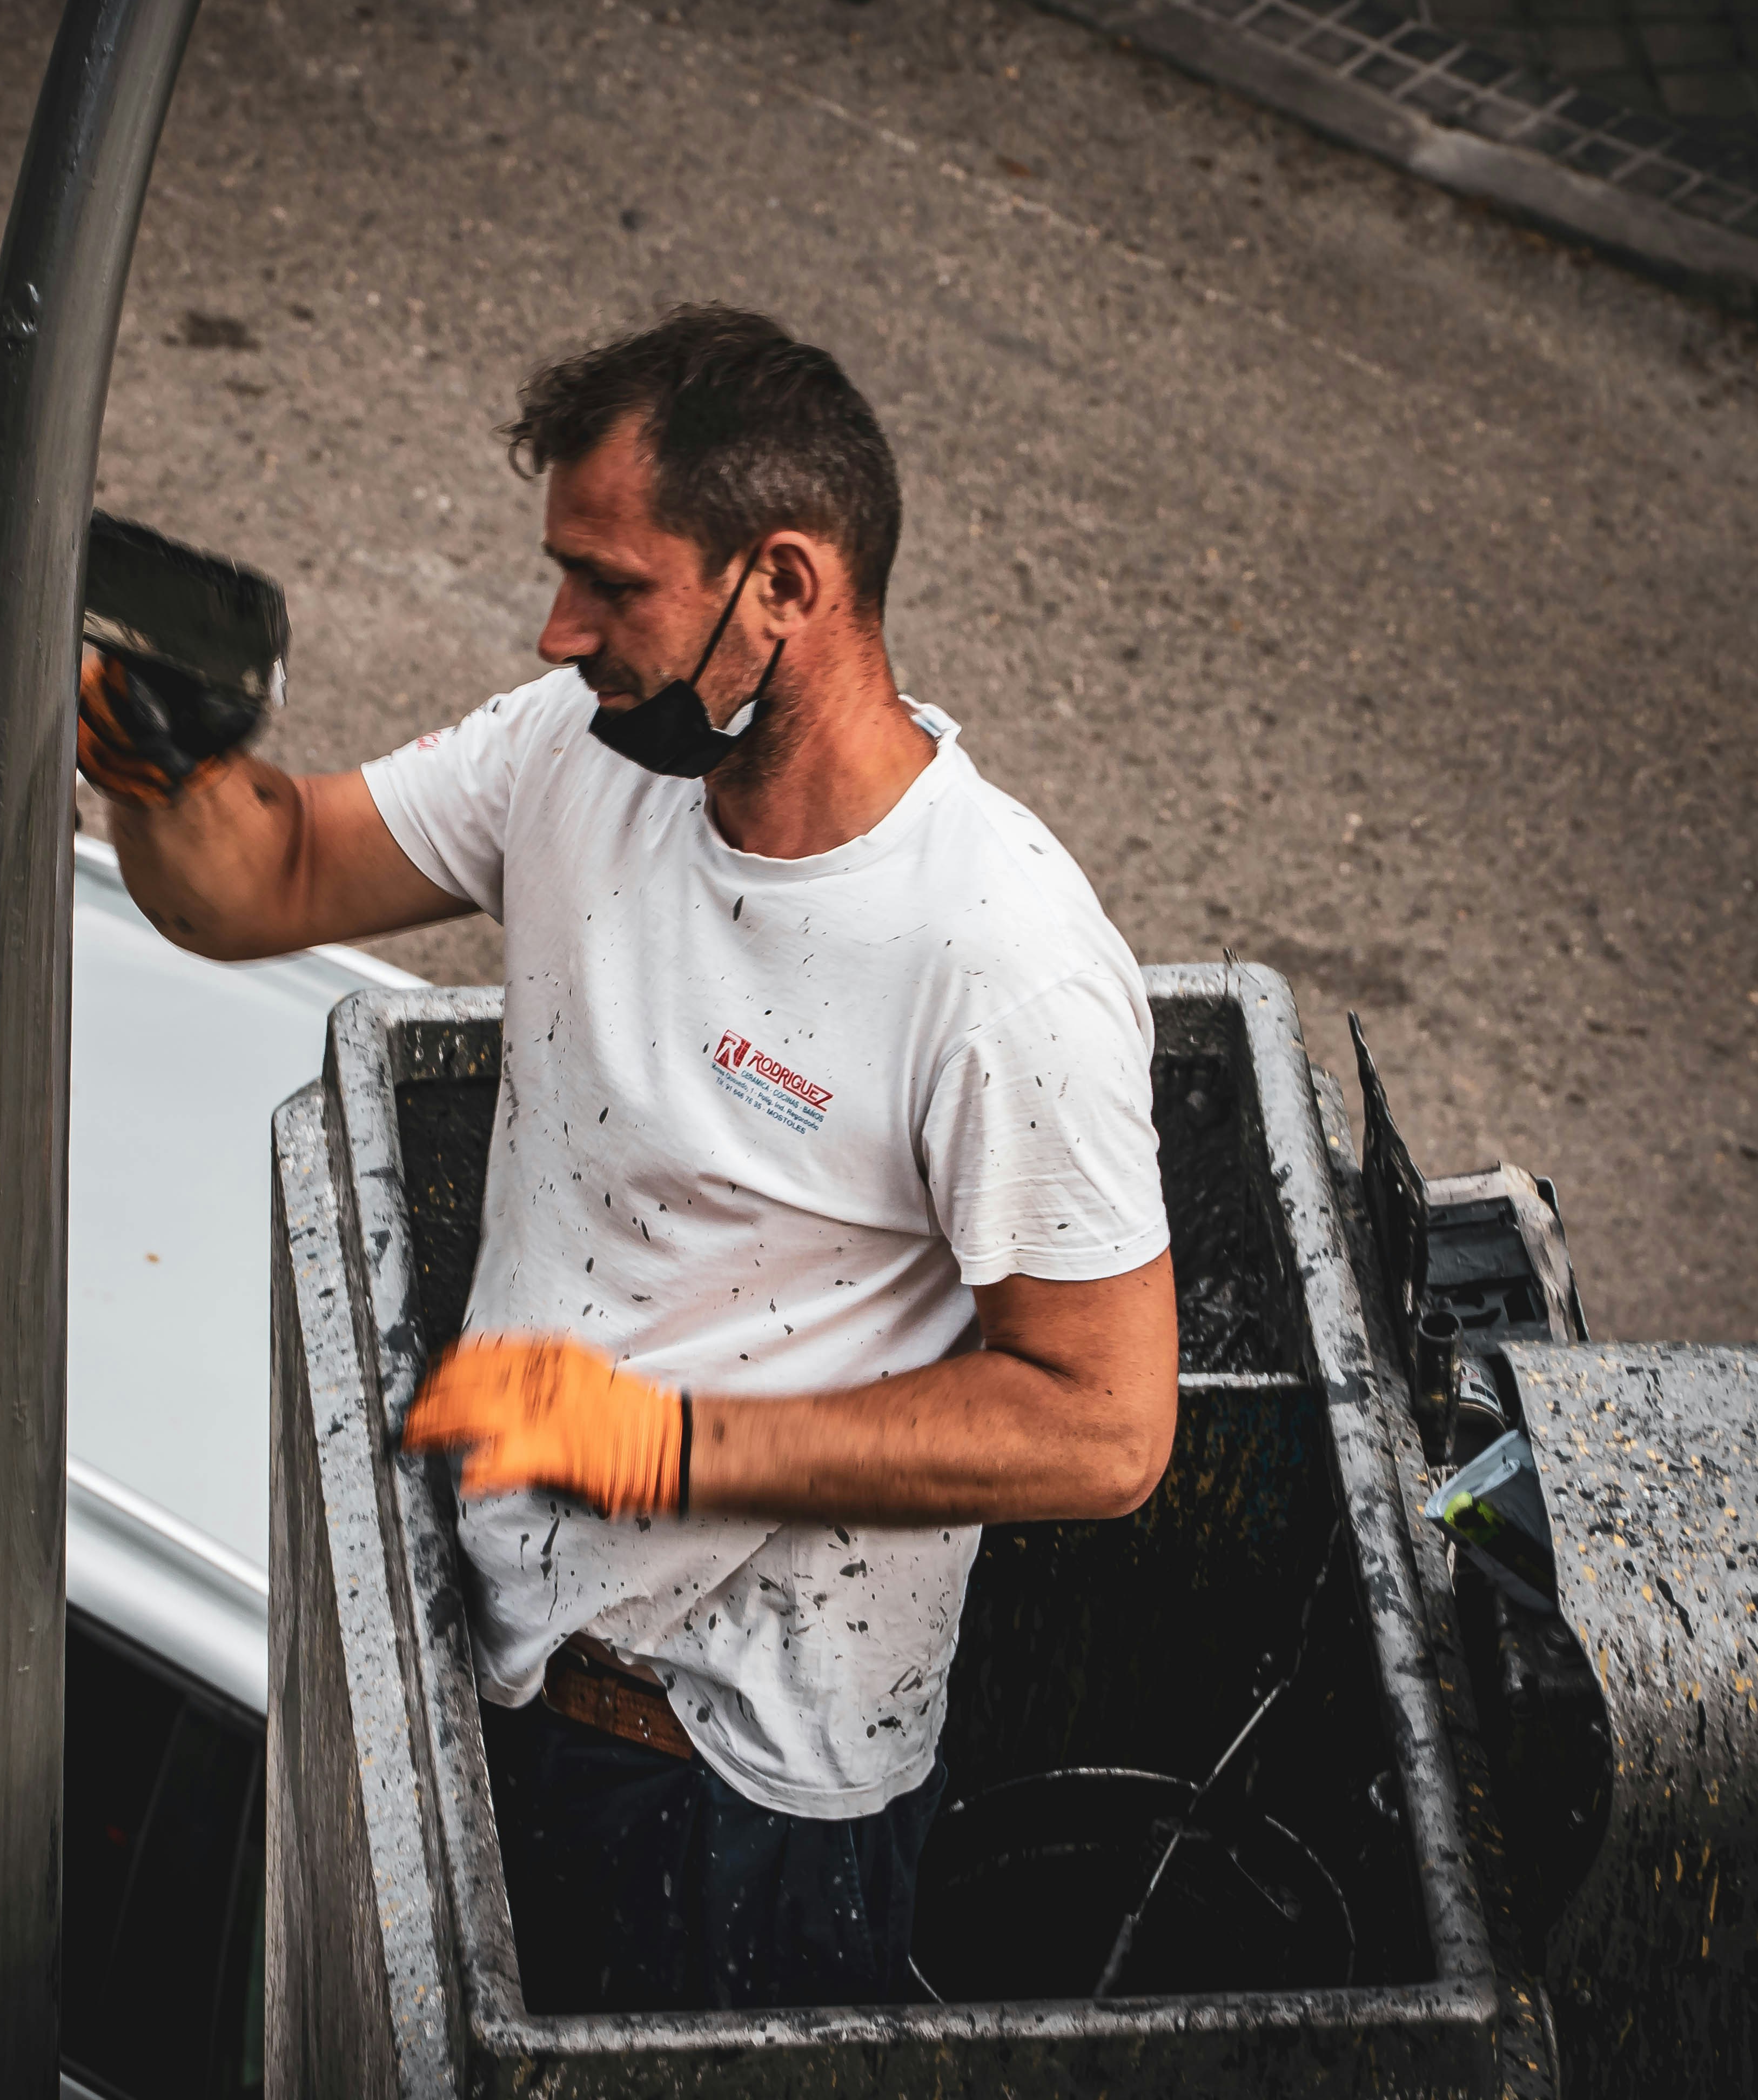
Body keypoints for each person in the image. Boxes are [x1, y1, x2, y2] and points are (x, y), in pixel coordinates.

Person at [82, 304, 1178, 2012]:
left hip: (738, 1795)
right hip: (499, 1672)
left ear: (787, 587)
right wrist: (160, 765)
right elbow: (268, 878)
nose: (557, 626)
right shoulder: (572, 758)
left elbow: (1103, 1426)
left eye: (613, 585)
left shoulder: (998, 958)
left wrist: (665, 1445)